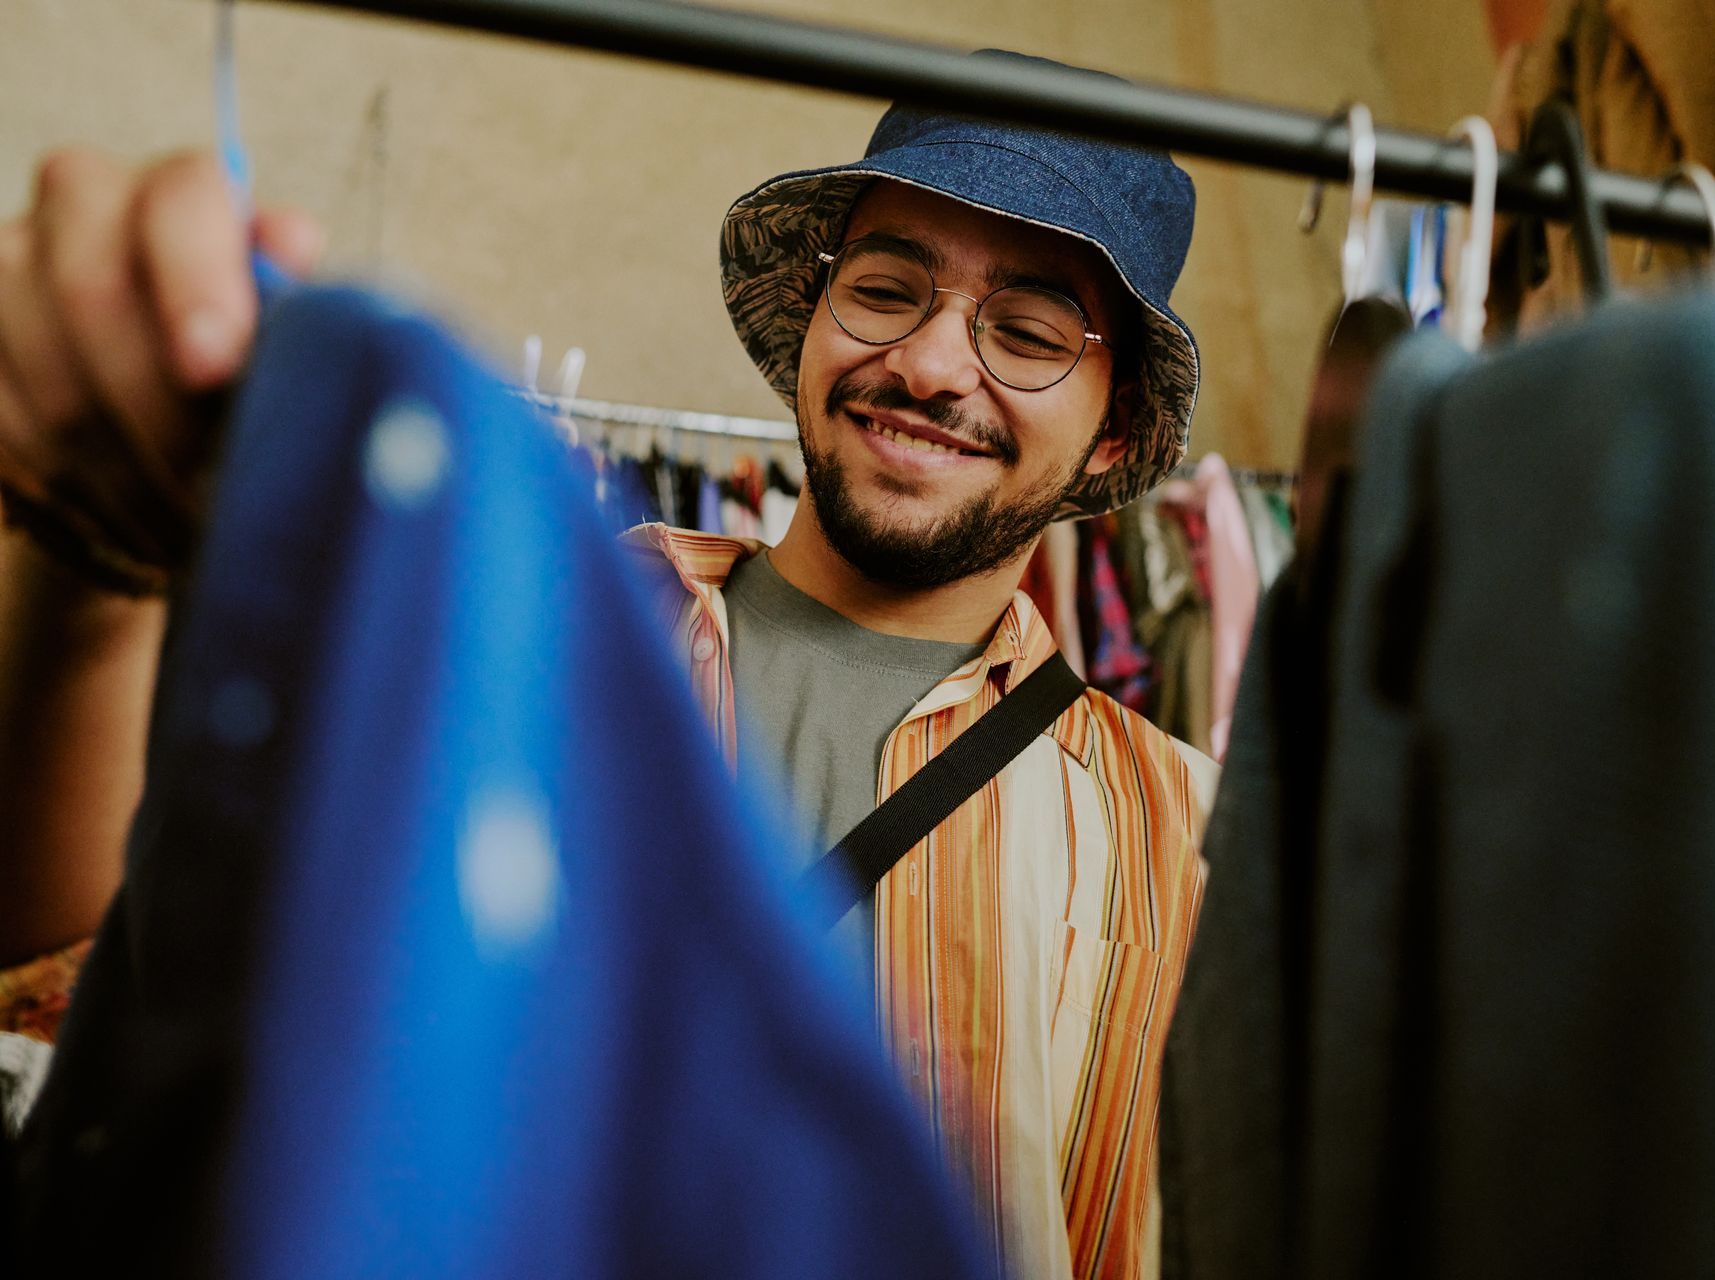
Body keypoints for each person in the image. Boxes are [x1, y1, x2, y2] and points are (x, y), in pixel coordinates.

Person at [0, 53, 1215, 1280]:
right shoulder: (498, 632)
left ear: (1112, 426)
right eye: (889, 287)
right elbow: (78, 1001)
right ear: (815, 312)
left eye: (1028, 331)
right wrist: (89, 560)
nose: (934, 365)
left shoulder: (1188, 835)